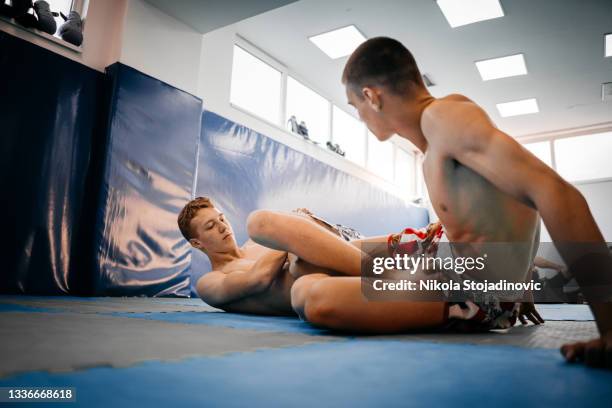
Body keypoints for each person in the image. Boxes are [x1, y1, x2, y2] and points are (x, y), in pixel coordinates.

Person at [336, 37, 611, 367]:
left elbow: (554, 194)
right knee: (305, 283)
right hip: (467, 275)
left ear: (371, 96)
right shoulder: (433, 143)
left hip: (478, 289)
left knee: (312, 295)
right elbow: (514, 204)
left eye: (356, 107)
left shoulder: (444, 118)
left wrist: (609, 327)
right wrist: (520, 279)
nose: (360, 118)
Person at [177, 197, 543, 331]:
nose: (222, 226)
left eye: (222, 218)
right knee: (305, 288)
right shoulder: (211, 282)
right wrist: (293, 233)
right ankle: (476, 300)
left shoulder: (254, 240)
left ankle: (430, 251)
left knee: (265, 227)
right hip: (331, 286)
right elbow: (258, 280)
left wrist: (301, 230)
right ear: (196, 243)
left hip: (356, 258)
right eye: (211, 226)